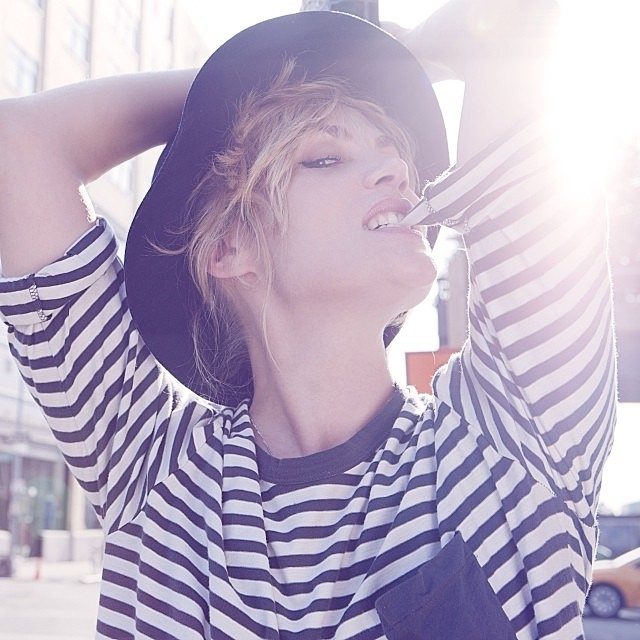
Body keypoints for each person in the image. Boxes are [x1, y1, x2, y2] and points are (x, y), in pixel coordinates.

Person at [0, 2, 616, 639]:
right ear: (228, 247)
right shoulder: (153, 464)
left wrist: (408, 50)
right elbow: (21, 141)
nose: (400, 171)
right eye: (325, 158)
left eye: (393, 153)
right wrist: (241, 80)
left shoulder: (515, 437)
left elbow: (513, 24)